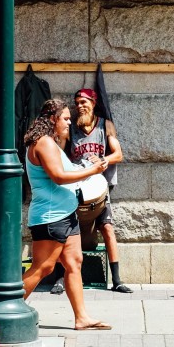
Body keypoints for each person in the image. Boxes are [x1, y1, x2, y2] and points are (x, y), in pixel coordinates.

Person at [21, 98, 112, 330]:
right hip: (52, 216)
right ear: (52, 119)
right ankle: (5, 306)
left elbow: (66, 172)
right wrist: (93, 170)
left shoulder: (50, 143)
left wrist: (85, 169)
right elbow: (59, 176)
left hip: (65, 213)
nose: (69, 122)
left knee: (74, 262)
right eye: (65, 118)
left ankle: (81, 318)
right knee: (43, 267)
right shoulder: (44, 143)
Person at [68, 87, 132, 293]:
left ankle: (117, 280)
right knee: (68, 231)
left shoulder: (105, 125)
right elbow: (60, 153)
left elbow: (118, 154)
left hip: (99, 187)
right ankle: (62, 277)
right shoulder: (71, 128)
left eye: (84, 102)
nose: (80, 106)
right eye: (77, 103)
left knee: (107, 228)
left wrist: (103, 160)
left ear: (93, 103)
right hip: (75, 187)